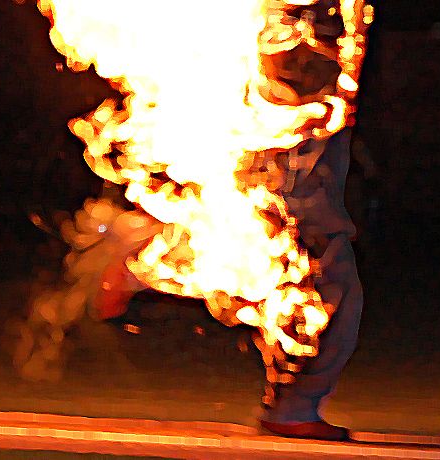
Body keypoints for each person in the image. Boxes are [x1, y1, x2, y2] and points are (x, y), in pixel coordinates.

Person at [95, 2, 364, 441]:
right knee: (323, 273)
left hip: (291, 85)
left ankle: (152, 258)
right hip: (290, 91)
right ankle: (293, 407)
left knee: (272, 235)